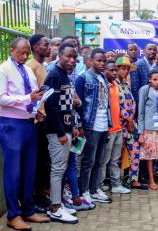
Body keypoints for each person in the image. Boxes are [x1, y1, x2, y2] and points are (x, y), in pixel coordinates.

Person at [0, 37, 50, 230]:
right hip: (11, 125)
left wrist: (36, 106)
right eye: (20, 52)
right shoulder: (4, 69)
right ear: (11, 50)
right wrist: (26, 98)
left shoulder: (28, 70)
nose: (24, 55)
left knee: (30, 169)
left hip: (29, 123)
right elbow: (2, 98)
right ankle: (13, 215)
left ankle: (28, 210)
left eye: (26, 52)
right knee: (13, 172)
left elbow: (33, 94)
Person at [44, 43, 81, 224]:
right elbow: (50, 107)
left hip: (65, 129)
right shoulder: (54, 76)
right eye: (68, 56)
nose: (72, 60)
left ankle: (58, 204)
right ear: (59, 55)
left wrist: (72, 125)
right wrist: (60, 132)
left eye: (75, 57)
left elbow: (66, 106)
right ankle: (55, 208)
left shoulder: (64, 76)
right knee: (58, 169)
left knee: (62, 168)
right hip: (56, 132)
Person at [75, 48, 113, 204]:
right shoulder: (83, 78)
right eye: (99, 60)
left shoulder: (103, 78)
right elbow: (77, 105)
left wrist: (109, 125)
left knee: (99, 161)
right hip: (90, 126)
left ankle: (94, 189)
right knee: (87, 161)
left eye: (104, 61)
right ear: (91, 61)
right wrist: (80, 126)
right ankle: (84, 191)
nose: (102, 63)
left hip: (104, 126)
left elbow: (107, 104)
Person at [99, 61, 132, 194]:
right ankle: (99, 186)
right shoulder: (103, 86)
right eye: (111, 70)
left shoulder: (115, 85)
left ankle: (116, 184)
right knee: (104, 160)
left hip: (118, 128)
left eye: (114, 70)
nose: (114, 73)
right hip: (108, 129)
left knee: (115, 159)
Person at [27, 34, 51, 212]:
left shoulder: (42, 66)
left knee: (44, 161)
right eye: (45, 44)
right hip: (36, 120)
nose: (48, 47)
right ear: (35, 47)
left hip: (44, 119)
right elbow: (29, 95)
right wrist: (36, 114)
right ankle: (34, 199)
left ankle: (41, 197)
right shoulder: (30, 66)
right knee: (35, 162)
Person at [115, 56, 146, 190]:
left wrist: (132, 118)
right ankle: (115, 180)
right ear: (116, 69)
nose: (125, 72)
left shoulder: (126, 85)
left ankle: (133, 179)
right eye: (122, 69)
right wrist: (127, 119)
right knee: (117, 155)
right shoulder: (113, 85)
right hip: (120, 125)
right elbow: (116, 105)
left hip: (131, 124)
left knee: (135, 151)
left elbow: (132, 103)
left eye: (127, 69)